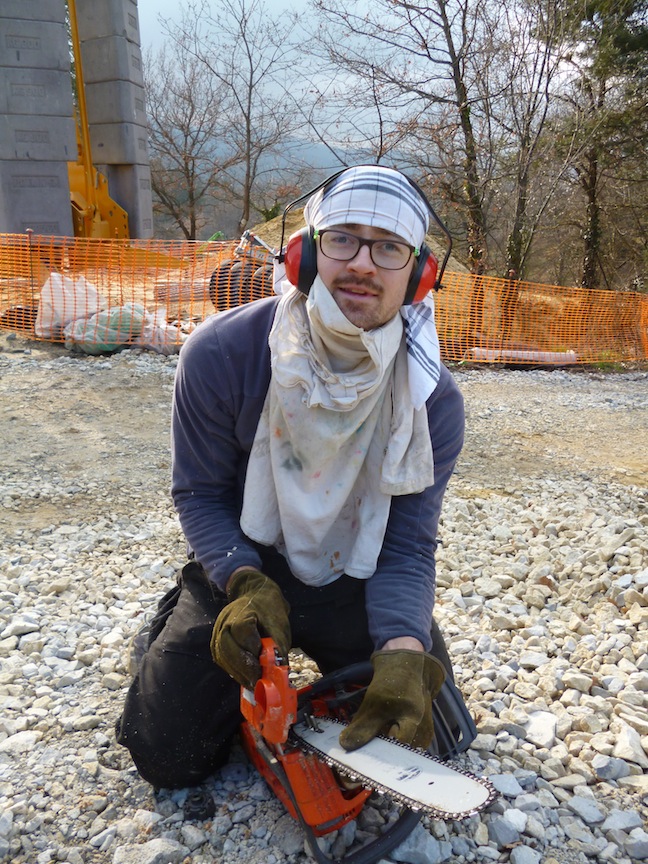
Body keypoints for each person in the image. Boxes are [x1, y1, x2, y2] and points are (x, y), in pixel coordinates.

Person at [116, 165, 467, 796]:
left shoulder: (430, 400)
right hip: (247, 564)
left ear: (417, 276)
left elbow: (407, 544)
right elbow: (199, 492)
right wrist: (241, 579)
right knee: (169, 756)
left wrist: (402, 646)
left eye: (389, 247)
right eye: (343, 239)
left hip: (355, 575)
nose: (363, 263)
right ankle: (176, 620)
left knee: (433, 736)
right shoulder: (222, 355)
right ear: (305, 256)